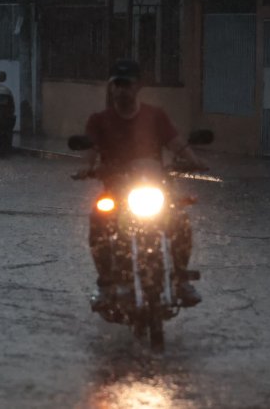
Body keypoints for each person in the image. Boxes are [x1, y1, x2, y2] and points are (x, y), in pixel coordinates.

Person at [80, 59, 205, 309]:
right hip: (116, 192)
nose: (123, 90)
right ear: (111, 88)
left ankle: (180, 279)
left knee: (180, 219)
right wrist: (86, 168)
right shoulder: (99, 120)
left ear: (138, 87)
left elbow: (176, 143)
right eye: (118, 84)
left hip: (153, 189)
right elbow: (90, 150)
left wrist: (194, 161)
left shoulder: (155, 116)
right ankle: (105, 284)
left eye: (128, 84)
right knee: (98, 220)